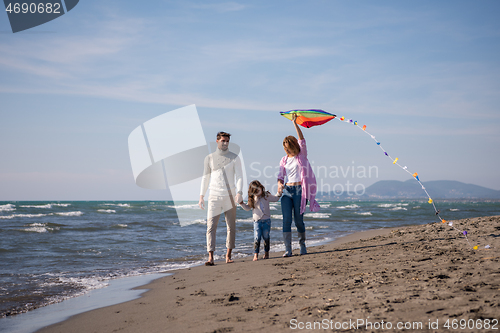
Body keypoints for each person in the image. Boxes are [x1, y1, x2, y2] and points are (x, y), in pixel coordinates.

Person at [277, 113, 320, 257]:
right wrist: (279, 184)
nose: (287, 150)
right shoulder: (283, 160)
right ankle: (288, 249)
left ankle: (302, 245)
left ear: (294, 145)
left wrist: (294, 123)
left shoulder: (302, 155)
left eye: (288, 147)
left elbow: (302, 139)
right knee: (286, 220)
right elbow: (280, 176)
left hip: (300, 191)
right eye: (285, 147)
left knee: (299, 221)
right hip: (287, 191)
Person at [199, 132, 243, 266]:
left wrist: (239, 192)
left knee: (231, 227)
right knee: (211, 226)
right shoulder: (209, 158)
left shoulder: (235, 158)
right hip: (214, 196)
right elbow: (205, 178)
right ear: (217, 141)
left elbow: (240, 176)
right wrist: (201, 196)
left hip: (230, 196)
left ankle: (228, 255)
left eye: (227, 141)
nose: (225, 143)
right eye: (223, 140)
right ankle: (210, 257)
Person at [239, 180, 282, 261]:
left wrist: (279, 192)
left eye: (259, 190)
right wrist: (241, 203)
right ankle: (256, 254)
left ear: (261, 188)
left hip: (267, 221)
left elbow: (275, 199)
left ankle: (266, 253)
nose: (258, 193)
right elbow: (248, 208)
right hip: (257, 221)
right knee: (257, 238)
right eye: (256, 192)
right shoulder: (252, 198)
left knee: (266, 237)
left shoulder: (266, 195)